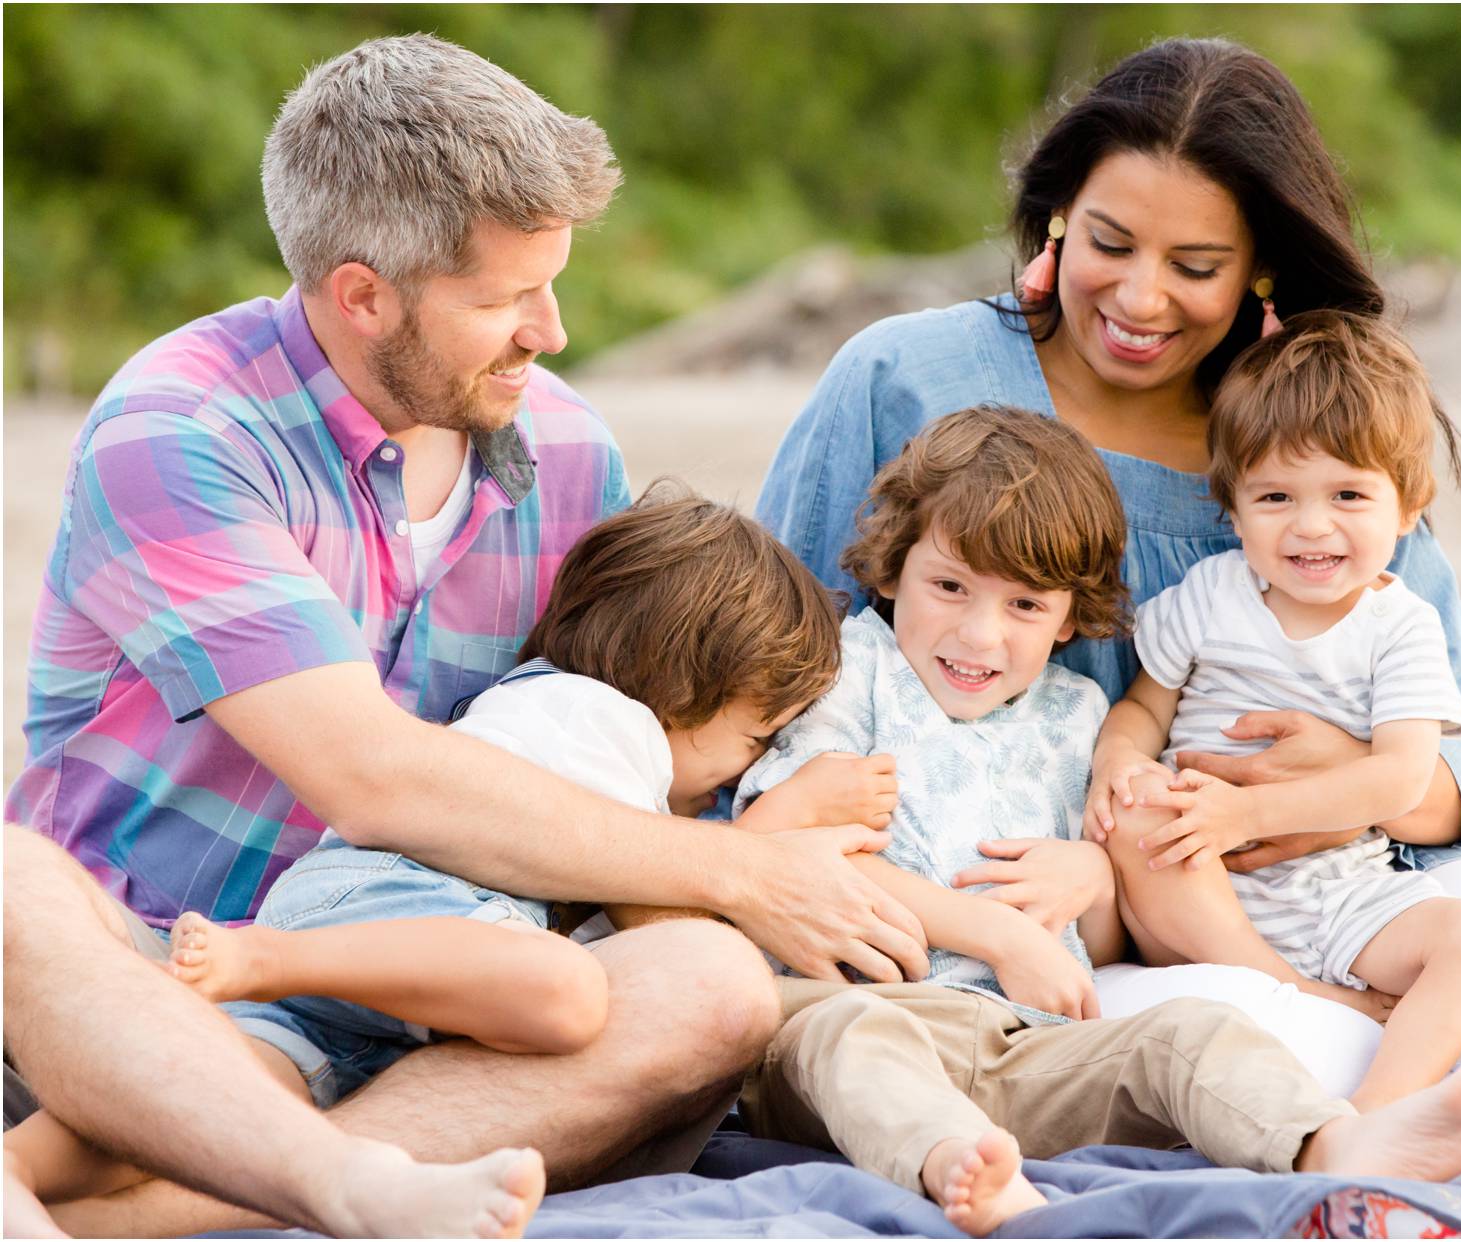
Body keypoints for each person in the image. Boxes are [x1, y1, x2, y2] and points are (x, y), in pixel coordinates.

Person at [5, 34, 929, 1240]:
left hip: (431, 979)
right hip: (143, 964)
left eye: (552, 282)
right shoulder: (179, 432)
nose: (547, 329)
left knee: (707, 989)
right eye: (501, 299)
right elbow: (368, 775)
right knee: (12, 880)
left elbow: (611, 748)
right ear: (362, 294)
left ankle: (147, 1217)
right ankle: (328, 1188)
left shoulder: (568, 451)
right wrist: (746, 871)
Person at [756, 35, 1461, 1105]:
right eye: (1111, 243)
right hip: (1072, 922)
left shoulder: (1302, 431)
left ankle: (1413, 1067)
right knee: (1275, 1062)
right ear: (1054, 220)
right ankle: (1406, 1081)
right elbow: (772, 661)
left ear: (1259, 266)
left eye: (1195, 267)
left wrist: (1352, 785)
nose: (1139, 297)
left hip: (1342, 887)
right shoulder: (905, 375)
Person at [726, 406, 1461, 1237]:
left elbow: (1112, 944)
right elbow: (795, 858)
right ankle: (962, 1174)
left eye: (1025, 607)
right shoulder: (850, 671)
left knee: (1189, 1033)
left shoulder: (1077, 715)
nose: (979, 633)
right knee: (847, 1038)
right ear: (894, 569)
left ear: (1072, 617)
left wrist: (1092, 880)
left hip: (1029, 1046)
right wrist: (998, 935)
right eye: (949, 586)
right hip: (856, 1019)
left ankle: (1340, 1146)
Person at [5, 486, 856, 1225]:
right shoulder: (595, 719)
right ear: (688, 688)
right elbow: (654, 908)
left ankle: (28, 1186)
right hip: (386, 907)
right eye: (755, 738)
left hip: (358, 1007)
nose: (743, 770)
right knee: (565, 994)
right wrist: (765, 838)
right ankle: (265, 958)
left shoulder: (558, 710)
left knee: (197, 1105)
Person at [1090, 309, 1461, 1110]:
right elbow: (1144, 707)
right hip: (1197, 884)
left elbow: (1397, 779)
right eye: (1276, 495)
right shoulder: (1210, 597)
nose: (1312, 526)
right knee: (1135, 815)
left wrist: (1245, 816)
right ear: (1233, 510)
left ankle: (1379, 1117)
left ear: (1408, 508)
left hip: (1341, 892)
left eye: (1349, 494)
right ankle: (1294, 991)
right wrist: (1119, 758)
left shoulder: (1401, 626)